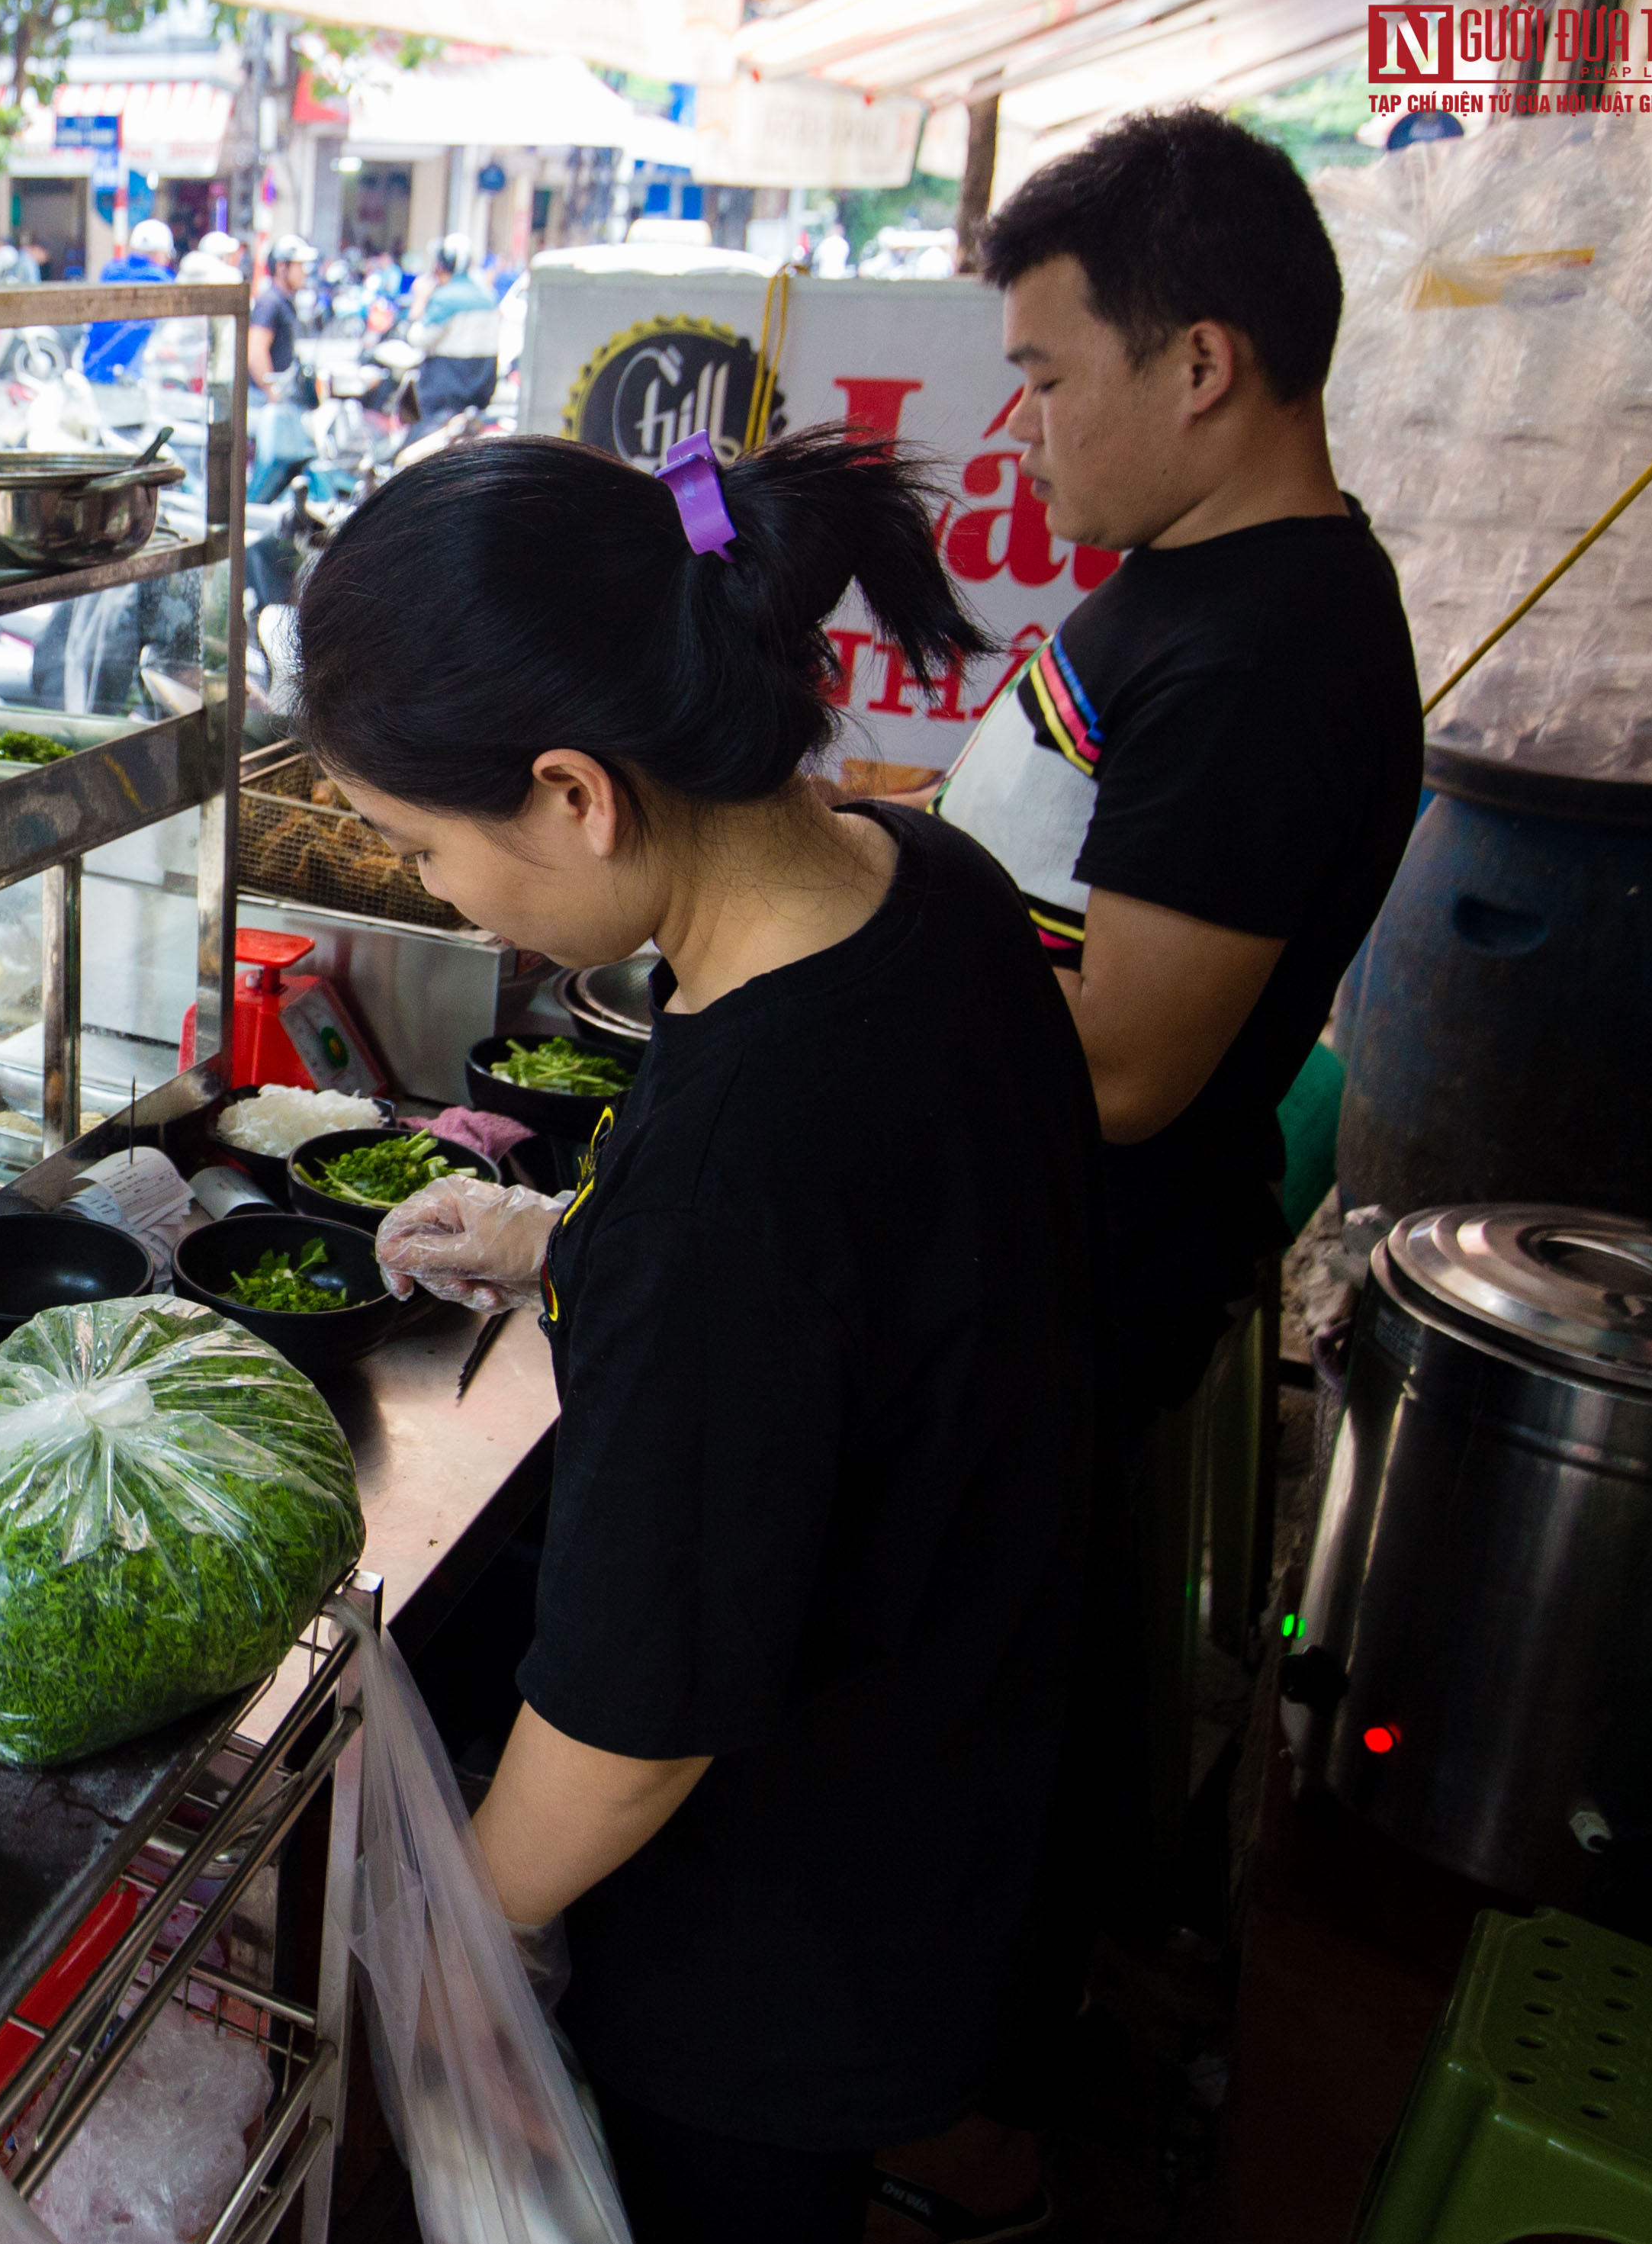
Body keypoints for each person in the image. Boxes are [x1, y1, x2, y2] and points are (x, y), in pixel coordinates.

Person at [299, 429, 1099, 2244]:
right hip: (955, 1765)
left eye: (425, 847)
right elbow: (879, 1284)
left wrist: (448, 1944)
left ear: (575, 792)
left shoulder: (734, 1174)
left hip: (776, 1926)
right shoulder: (925, 884)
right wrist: (564, 1236)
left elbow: (629, 1733)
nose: (436, 893)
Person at [879, 105, 1423, 2240]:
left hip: (1055, 1278)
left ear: (1199, 363)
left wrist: (862, 933)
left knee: (954, 1728)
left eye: (1043, 373)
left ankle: (964, 2140)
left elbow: (1116, 1065)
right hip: (1003, 1249)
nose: (1018, 429)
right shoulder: (1186, 596)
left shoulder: (1273, 656)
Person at [249, 234, 320, 500]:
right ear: (282, 267)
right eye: (299, 265)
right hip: (262, 402)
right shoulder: (270, 302)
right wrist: (271, 391)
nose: (304, 273)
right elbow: (256, 351)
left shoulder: (285, 301)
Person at [407, 233, 502, 421]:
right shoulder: (488, 297)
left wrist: (418, 303)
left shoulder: (445, 298)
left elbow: (418, 338)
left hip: (446, 393)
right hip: (482, 389)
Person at [80, 217, 175, 388]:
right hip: (133, 373)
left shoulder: (110, 270)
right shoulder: (162, 279)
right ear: (159, 253)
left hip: (95, 365)